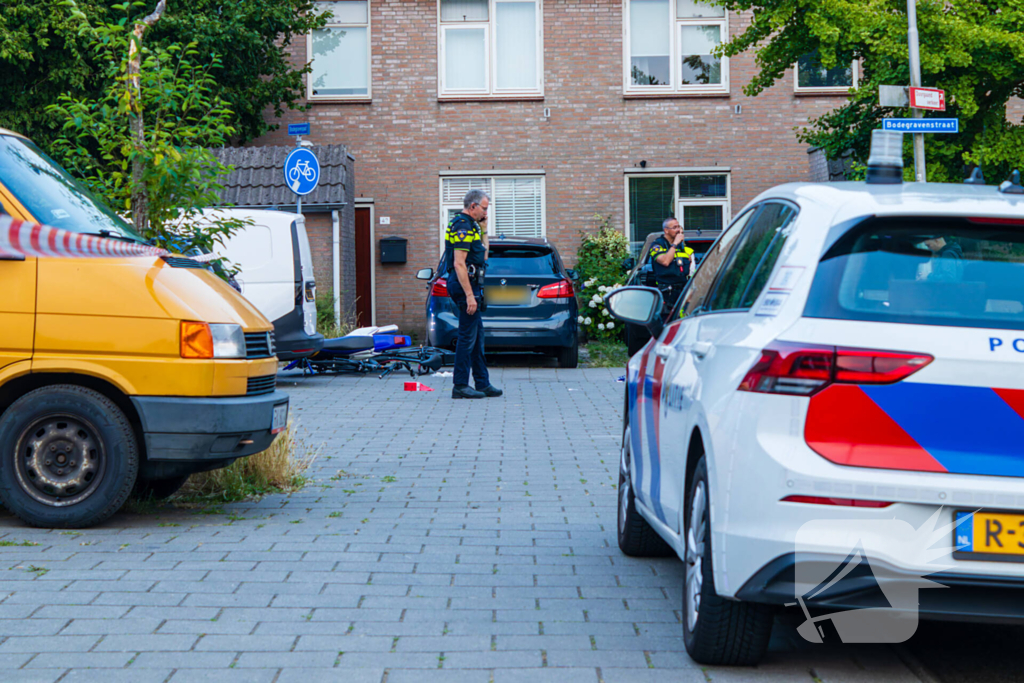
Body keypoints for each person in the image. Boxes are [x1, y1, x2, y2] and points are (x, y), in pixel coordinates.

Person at [445, 189, 502, 399]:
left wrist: (485, 229)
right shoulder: (462, 226)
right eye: (484, 208)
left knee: (477, 336)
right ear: (473, 206)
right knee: (467, 336)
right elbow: (459, 263)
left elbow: (483, 256)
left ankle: (482, 383)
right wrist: (469, 295)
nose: (486, 212)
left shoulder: (472, 227)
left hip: (471, 284)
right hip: (464, 285)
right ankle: (460, 385)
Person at [648, 217, 695, 310]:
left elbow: (690, 270)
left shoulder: (682, 247)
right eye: (674, 227)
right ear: (666, 230)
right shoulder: (657, 245)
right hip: (666, 292)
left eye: (678, 227)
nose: (678, 230)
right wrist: (674, 244)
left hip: (683, 291)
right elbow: (665, 261)